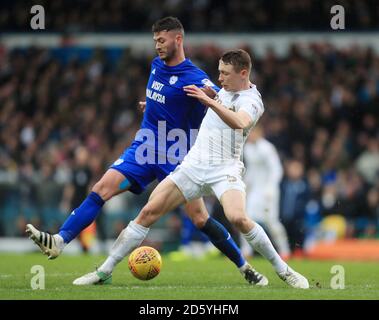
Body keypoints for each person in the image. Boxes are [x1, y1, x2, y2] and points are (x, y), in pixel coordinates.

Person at [26, 17, 264, 286]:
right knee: (102, 188)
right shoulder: (155, 66)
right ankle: (59, 240)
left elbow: (221, 107)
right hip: (144, 149)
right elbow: (164, 98)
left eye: (161, 40)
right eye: (154, 41)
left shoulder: (197, 78)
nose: (157, 46)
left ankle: (244, 266)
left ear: (178, 39)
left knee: (199, 219)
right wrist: (151, 105)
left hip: (177, 156)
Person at [74, 49, 309, 288]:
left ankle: (284, 270)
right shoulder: (222, 91)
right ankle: (104, 271)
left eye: (225, 73)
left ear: (243, 73)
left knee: (238, 217)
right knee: (147, 213)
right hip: (192, 166)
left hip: (224, 170)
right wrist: (157, 106)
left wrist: (208, 100)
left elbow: (240, 122)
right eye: (219, 72)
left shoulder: (252, 101)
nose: (219, 78)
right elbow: (184, 104)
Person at [241, 125, 291, 259]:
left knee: (272, 222)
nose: (249, 135)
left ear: (259, 132)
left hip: (269, 191)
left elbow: (277, 170)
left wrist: (271, 187)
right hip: (255, 191)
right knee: (245, 219)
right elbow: (251, 170)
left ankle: (285, 250)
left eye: (252, 132)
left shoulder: (267, 148)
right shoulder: (248, 148)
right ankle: (246, 252)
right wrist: (245, 186)